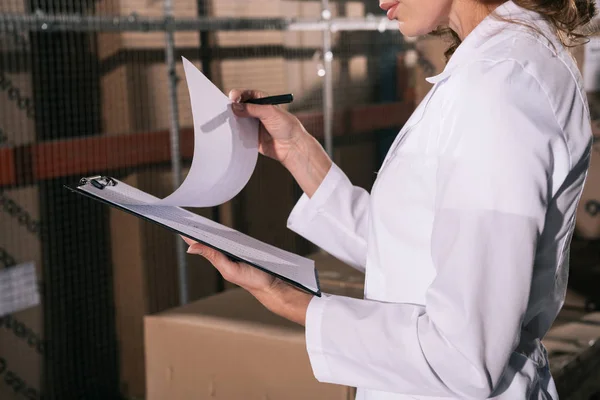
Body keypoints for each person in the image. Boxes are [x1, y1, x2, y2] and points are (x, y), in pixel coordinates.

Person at [183, 0, 596, 398]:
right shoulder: (500, 67)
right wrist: (296, 150)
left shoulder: (501, 85)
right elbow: (413, 250)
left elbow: (465, 355)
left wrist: (292, 302)